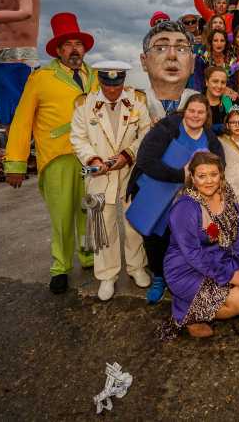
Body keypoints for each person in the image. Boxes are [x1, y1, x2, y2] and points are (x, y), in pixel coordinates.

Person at [5, 12, 98, 293]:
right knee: (62, 216)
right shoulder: (40, 78)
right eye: (67, 45)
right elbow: (22, 120)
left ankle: (89, 256)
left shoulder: (95, 76)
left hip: (91, 156)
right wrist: (16, 162)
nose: (74, 50)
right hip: (58, 156)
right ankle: (60, 267)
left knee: (90, 210)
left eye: (78, 44)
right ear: (58, 51)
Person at [127, 95, 225, 305]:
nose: (195, 115)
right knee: (154, 236)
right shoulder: (167, 128)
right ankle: (158, 278)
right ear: (184, 110)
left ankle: (179, 277)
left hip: (187, 198)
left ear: (206, 115)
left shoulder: (209, 137)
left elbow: (220, 164)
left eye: (200, 112)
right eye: (191, 110)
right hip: (155, 189)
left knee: (180, 238)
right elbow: (145, 159)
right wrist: (181, 175)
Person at [70, 61, 152, 300]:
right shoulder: (84, 105)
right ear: (100, 81)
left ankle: (137, 267)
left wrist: (128, 155)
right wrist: (92, 159)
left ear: (123, 81)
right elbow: (78, 138)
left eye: (117, 85)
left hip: (130, 170)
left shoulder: (137, 101)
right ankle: (107, 275)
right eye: (107, 85)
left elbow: (146, 133)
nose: (113, 90)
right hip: (100, 173)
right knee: (102, 225)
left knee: (133, 221)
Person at [159, 151, 239, 339]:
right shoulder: (184, 208)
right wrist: (231, 276)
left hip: (219, 258)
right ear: (192, 177)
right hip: (187, 269)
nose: (209, 181)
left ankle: (199, 301)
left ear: (221, 174)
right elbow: (193, 255)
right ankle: (189, 316)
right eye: (202, 176)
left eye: (213, 174)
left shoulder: (225, 192)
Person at [140, 20, 199, 123]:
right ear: (144, 61)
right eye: (161, 48)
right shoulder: (133, 103)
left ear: (192, 63)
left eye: (181, 49)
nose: (172, 55)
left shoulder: (202, 103)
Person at [204, 65, 239, 134]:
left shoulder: (231, 103)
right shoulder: (197, 102)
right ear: (206, 82)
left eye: (223, 82)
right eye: (215, 81)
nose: (219, 86)